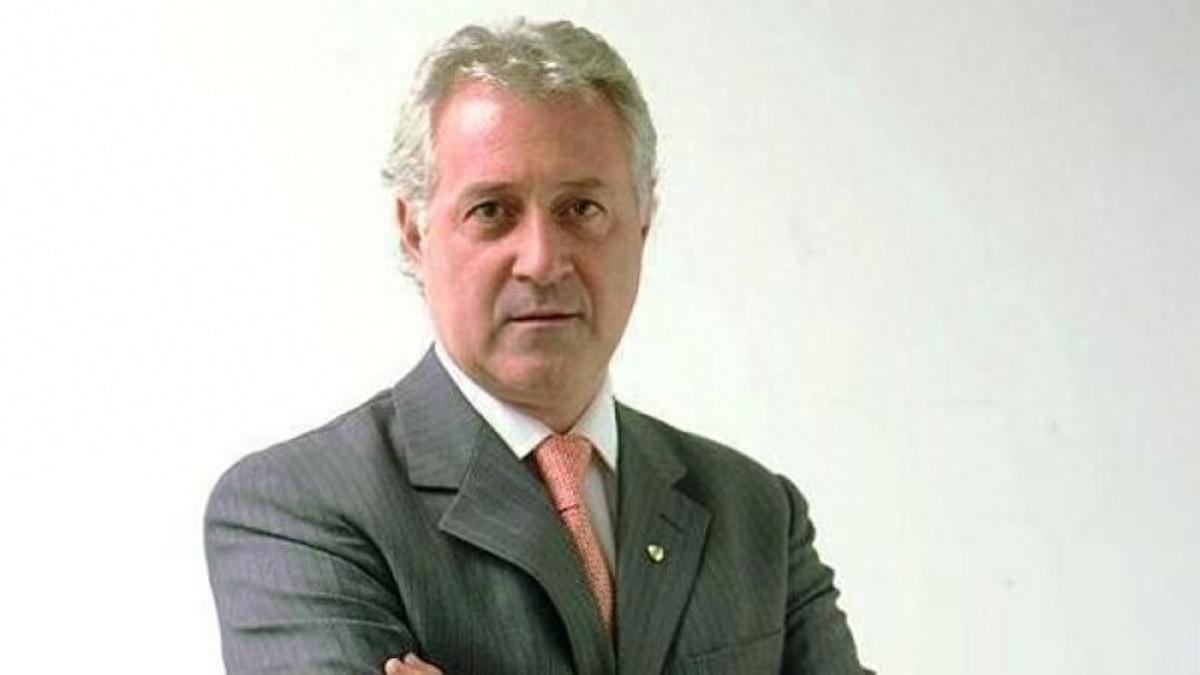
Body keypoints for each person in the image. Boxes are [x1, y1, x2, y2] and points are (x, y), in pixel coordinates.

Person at [204, 18, 872, 675]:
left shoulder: (755, 512)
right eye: (492, 210)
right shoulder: (294, 510)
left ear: (643, 221)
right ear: (414, 232)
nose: (542, 260)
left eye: (581, 208)